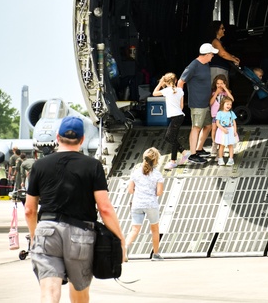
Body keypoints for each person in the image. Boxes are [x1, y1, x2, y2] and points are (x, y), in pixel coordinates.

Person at [24, 116, 124, 303]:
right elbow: (105, 208)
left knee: (49, 292)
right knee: (79, 293)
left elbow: (29, 209)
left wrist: (33, 236)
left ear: (57, 136)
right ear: (82, 139)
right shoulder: (93, 165)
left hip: (47, 231)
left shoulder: (39, 165)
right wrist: (120, 240)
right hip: (81, 234)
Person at [179, 43, 218, 163]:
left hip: (205, 103)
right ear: (206, 54)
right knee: (196, 127)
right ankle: (193, 154)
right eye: (212, 54)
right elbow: (180, 82)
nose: (213, 56)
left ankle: (199, 149)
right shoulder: (193, 65)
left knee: (208, 126)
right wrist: (181, 101)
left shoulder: (205, 64)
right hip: (197, 103)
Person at [125, 147, 165, 260]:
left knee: (134, 229)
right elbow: (159, 192)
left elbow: (130, 190)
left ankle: (125, 248)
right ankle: (156, 254)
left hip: (137, 204)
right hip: (151, 204)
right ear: (156, 160)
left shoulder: (135, 173)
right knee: (155, 229)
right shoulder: (157, 175)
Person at [153, 72, 186, 170]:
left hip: (175, 117)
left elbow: (154, 93)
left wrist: (160, 83)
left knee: (169, 137)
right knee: (172, 138)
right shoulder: (180, 90)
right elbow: (181, 106)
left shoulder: (166, 91)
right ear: (176, 81)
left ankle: (174, 160)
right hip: (179, 115)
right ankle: (183, 154)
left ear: (165, 81)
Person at [214, 98, 239, 166]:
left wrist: (235, 130)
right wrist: (223, 129)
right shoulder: (219, 113)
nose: (229, 106)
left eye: (230, 104)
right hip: (222, 131)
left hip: (230, 130)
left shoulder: (231, 113)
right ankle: (220, 159)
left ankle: (231, 159)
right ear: (223, 104)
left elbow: (234, 122)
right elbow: (217, 123)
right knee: (221, 145)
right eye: (227, 104)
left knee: (230, 145)